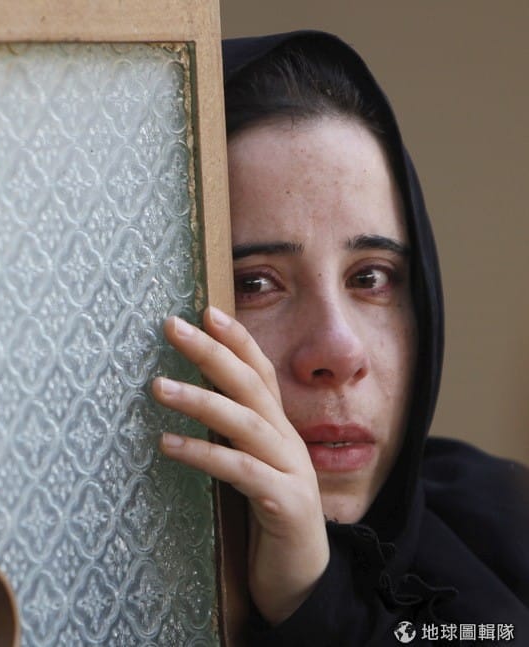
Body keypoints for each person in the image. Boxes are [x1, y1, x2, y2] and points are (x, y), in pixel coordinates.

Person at [152, 31, 529, 645]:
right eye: (255, 283)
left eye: (371, 277)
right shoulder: (87, 579)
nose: (338, 353)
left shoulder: (507, 529)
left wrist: (312, 602)